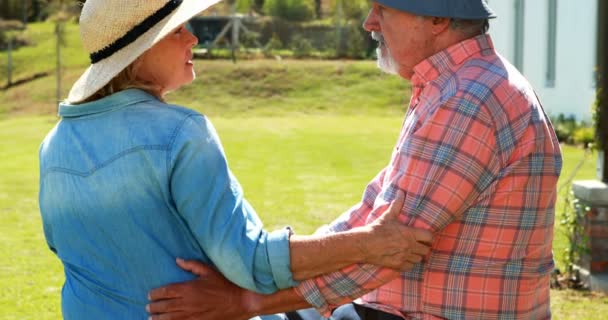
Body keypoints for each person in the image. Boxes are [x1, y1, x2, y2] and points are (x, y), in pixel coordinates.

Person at [147, 0, 563, 319]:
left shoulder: (467, 99)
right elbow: (371, 217)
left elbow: (387, 252)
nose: (369, 22)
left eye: (384, 8)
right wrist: (271, 271)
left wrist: (245, 300)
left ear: (437, 20)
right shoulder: (458, 85)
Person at [37, 0, 434, 319]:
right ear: (139, 53)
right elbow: (254, 263)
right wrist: (368, 243)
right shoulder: (181, 132)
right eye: (178, 30)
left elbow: (69, 250)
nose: (193, 38)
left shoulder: (51, 147)